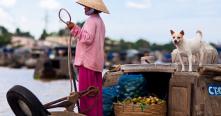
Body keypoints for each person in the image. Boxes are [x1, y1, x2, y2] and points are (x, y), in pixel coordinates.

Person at [67, 0, 109, 115]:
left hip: (87, 63)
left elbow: (87, 39)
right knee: (95, 95)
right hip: (96, 64)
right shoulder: (100, 21)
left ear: (92, 7)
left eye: (85, 6)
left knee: (86, 96)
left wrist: (74, 28)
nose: (84, 8)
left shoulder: (91, 21)